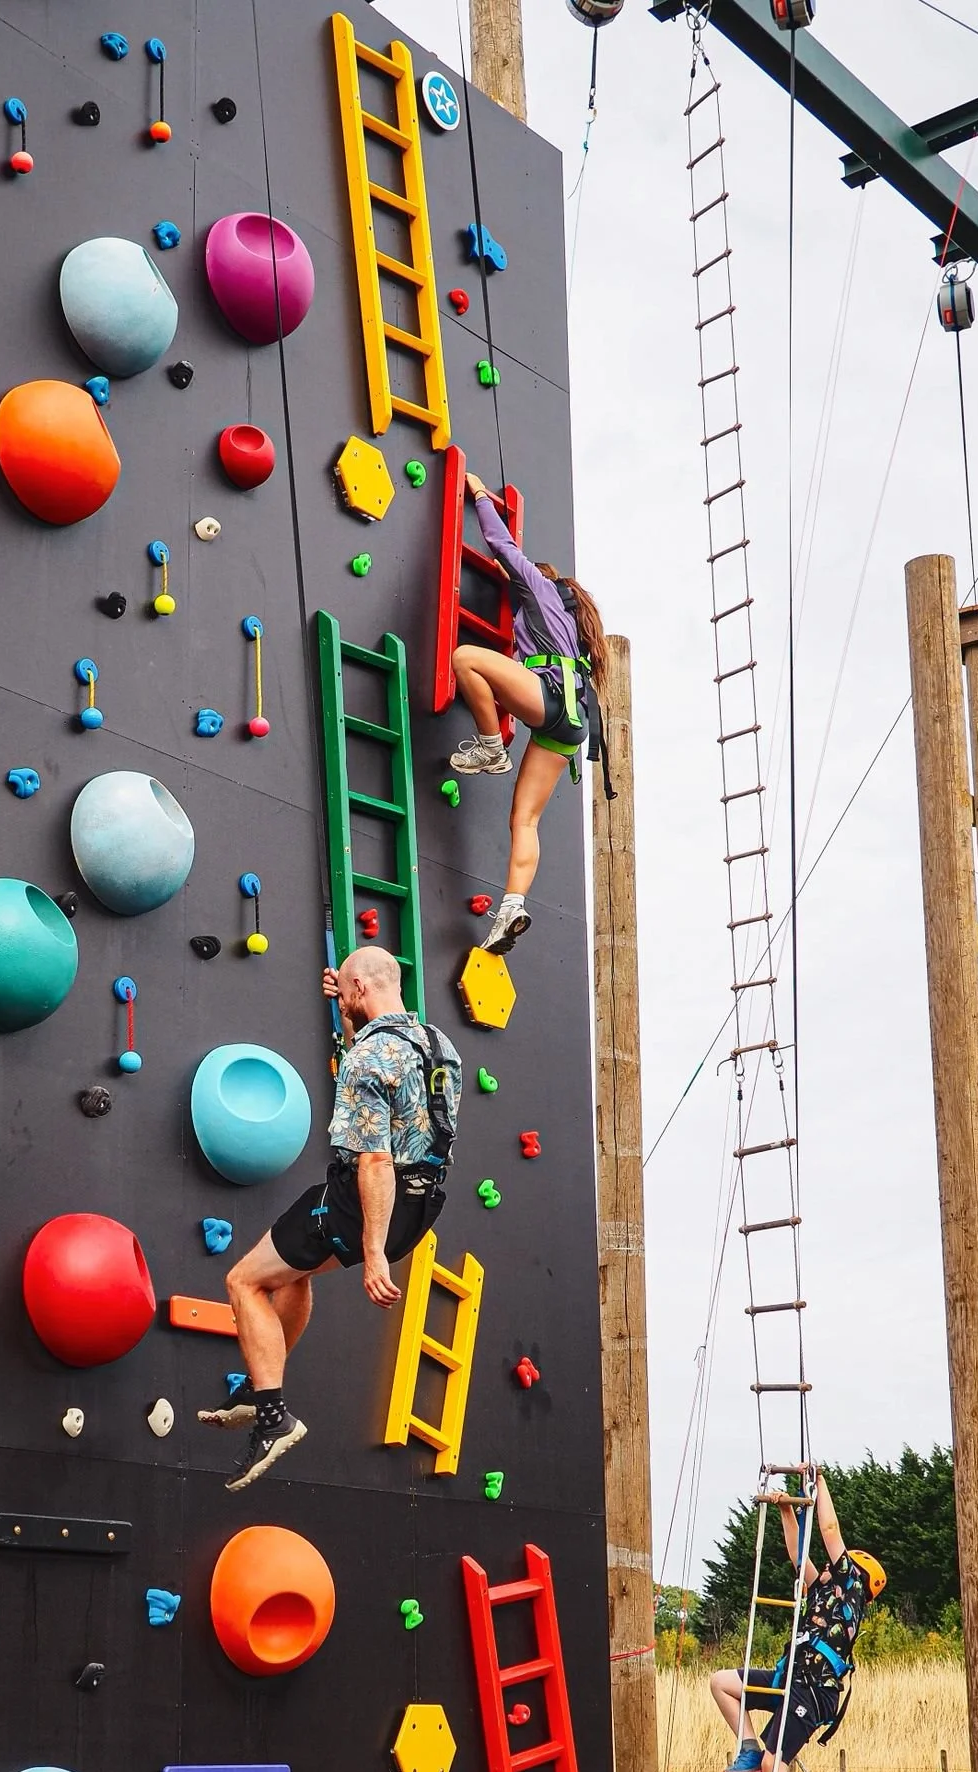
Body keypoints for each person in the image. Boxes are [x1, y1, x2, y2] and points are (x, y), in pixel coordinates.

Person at [198, 946, 462, 1491]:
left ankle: (272, 1415)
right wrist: (347, 1018)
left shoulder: (369, 1058)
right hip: (422, 1205)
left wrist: (371, 1252)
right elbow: (406, 1114)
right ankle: (260, 1387)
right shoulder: (439, 1047)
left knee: (244, 1282)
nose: (342, 999)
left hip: (362, 1201)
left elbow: (375, 1160)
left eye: (346, 992)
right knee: (293, 1272)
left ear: (362, 988)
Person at [448, 470, 613, 955]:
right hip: (572, 723)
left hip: (549, 698)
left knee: (466, 659)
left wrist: (479, 494)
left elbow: (501, 546)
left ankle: (490, 747)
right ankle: (512, 906)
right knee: (524, 821)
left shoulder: (538, 588)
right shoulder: (569, 624)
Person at [707, 1470, 886, 1772]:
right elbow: (796, 1555)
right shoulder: (823, 1588)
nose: (826, 1563)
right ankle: (749, 1747)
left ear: (855, 1573)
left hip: (813, 1691)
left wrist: (818, 1482)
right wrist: (787, 1509)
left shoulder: (849, 1590)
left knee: (776, 1765)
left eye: (838, 1561)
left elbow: (828, 1527)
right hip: (790, 1680)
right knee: (722, 1683)